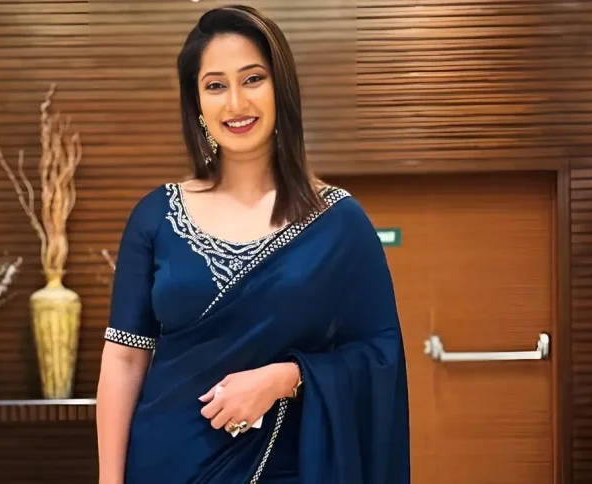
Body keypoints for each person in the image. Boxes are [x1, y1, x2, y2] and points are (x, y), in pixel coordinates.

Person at [96, 5, 409, 484]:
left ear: (282, 88)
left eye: (253, 79)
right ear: (196, 103)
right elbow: (124, 358)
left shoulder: (339, 222)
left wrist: (286, 377)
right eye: (215, 85)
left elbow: (379, 354)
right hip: (162, 463)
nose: (236, 102)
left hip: (283, 466)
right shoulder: (156, 216)